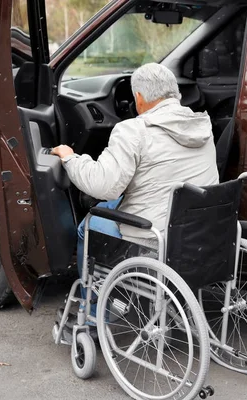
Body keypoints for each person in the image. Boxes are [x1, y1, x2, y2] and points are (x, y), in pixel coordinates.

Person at [51, 62, 219, 325]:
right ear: (176, 93)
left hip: (153, 241)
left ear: (139, 98)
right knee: (116, 202)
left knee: (90, 224)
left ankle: (95, 314)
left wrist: (70, 158)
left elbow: (103, 185)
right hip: (200, 236)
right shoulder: (201, 125)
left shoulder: (133, 130)